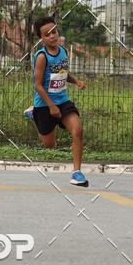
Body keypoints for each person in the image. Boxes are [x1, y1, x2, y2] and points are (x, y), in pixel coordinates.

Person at [31, 16, 88, 186]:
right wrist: (51, 106)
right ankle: (33, 113)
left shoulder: (63, 51)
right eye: (47, 34)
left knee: (77, 130)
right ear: (41, 38)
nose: (52, 36)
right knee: (49, 145)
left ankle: (77, 172)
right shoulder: (42, 57)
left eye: (54, 32)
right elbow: (37, 85)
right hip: (44, 104)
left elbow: (62, 73)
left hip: (63, 101)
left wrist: (76, 81)